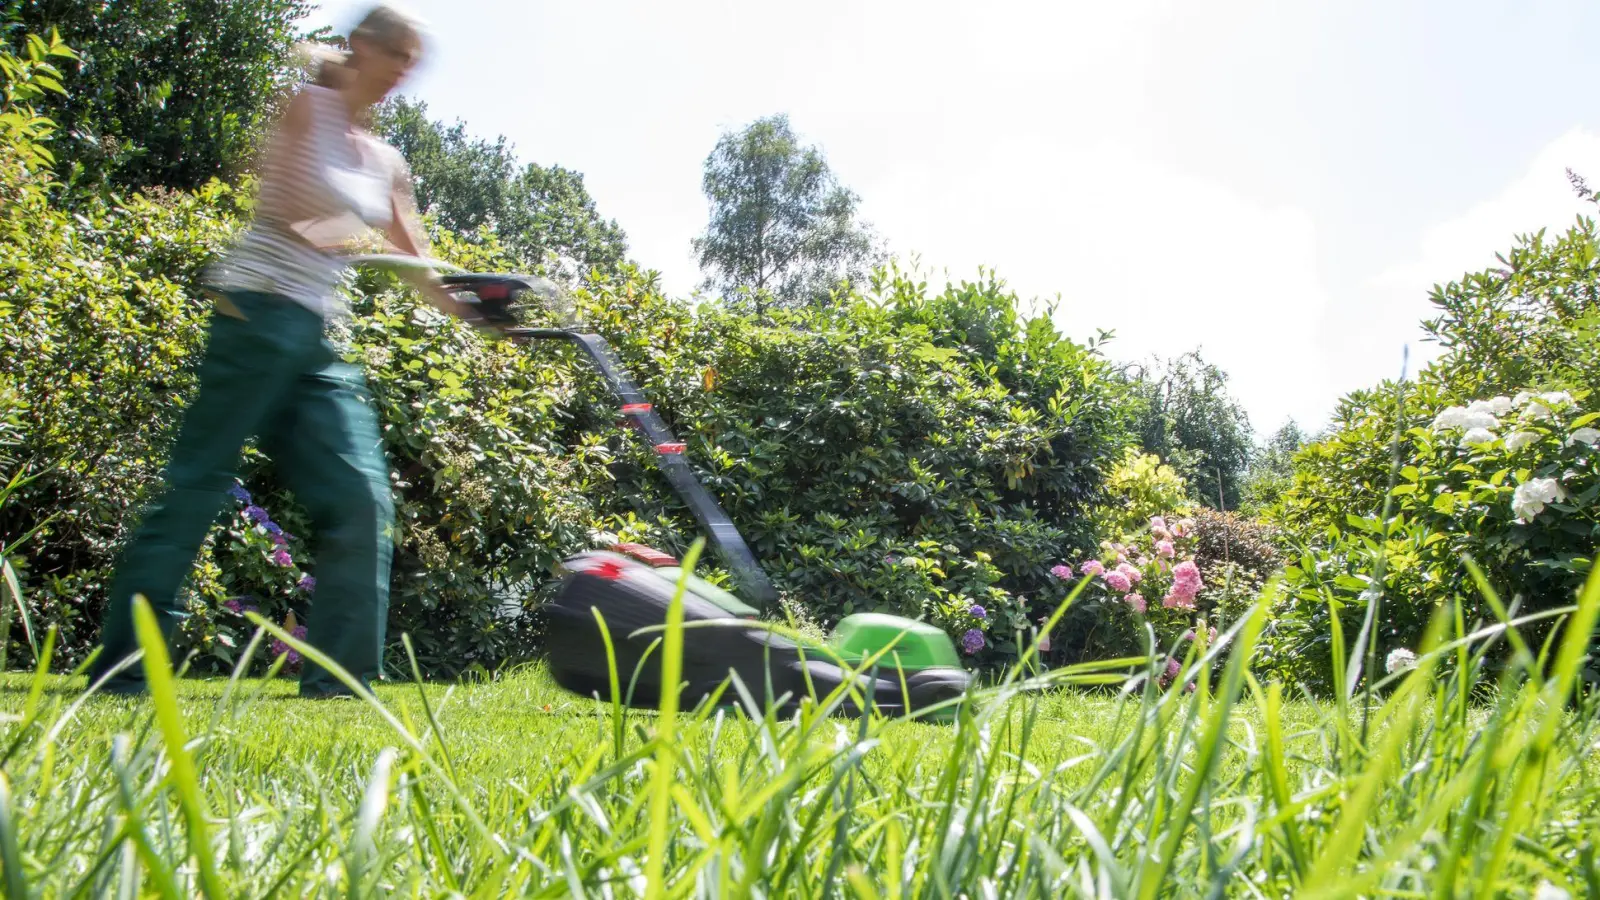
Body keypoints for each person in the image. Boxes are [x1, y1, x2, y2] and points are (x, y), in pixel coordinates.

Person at [88, 3, 486, 698]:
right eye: (395, 54)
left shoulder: (387, 159)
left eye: (411, 63)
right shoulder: (306, 107)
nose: (401, 72)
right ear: (361, 46)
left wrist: (479, 308)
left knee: (361, 499)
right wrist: (350, 239)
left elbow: (415, 258)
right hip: (256, 312)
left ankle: (341, 682)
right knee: (198, 483)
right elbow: (288, 202)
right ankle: (125, 666)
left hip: (318, 338)